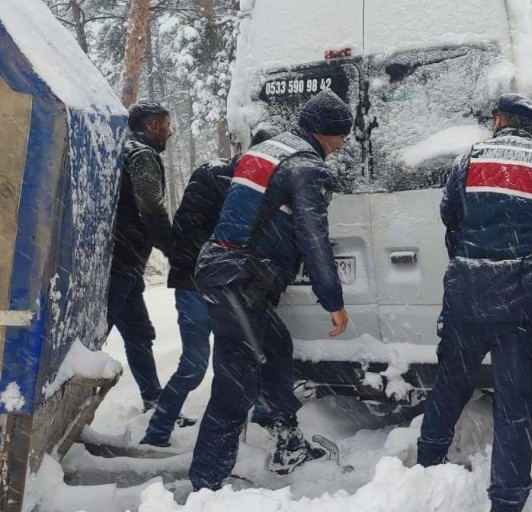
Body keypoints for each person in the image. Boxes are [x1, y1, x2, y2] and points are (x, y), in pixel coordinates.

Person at [416, 93, 532, 512]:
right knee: (514, 404)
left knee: (451, 386)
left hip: (467, 294)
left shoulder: (467, 160)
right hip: (521, 304)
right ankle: (507, 500)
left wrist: (473, 259)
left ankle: (424, 469)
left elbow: (450, 218)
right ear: (529, 126)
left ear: (499, 122)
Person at [187, 91, 352, 491]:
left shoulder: (269, 150)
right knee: (233, 385)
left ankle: (288, 442)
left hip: (226, 272)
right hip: (241, 281)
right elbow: (313, 238)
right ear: (326, 133)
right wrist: (333, 301)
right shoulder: (305, 167)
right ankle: (206, 484)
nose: (342, 144)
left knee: (276, 349)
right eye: (341, 136)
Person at [140, 125, 278, 447]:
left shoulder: (266, 188)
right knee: (194, 365)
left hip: (233, 291)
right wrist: (219, 266)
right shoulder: (212, 176)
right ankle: (156, 434)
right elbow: (187, 231)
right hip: (196, 287)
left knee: (245, 360)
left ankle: (257, 428)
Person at [109, 101, 174, 412]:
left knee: (139, 333)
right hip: (121, 261)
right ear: (152, 126)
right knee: (95, 339)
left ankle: (154, 401)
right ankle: (62, 407)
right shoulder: (142, 153)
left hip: (123, 262)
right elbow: (150, 206)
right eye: (167, 125)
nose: (170, 133)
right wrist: (175, 248)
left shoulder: (121, 148)